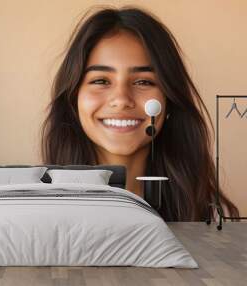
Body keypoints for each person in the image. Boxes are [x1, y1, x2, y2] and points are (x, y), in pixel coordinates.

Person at [40, 6, 239, 221]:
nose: (122, 99)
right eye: (100, 80)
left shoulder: (213, 217)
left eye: (143, 82)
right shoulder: (34, 211)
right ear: (73, 99)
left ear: (169, 98)